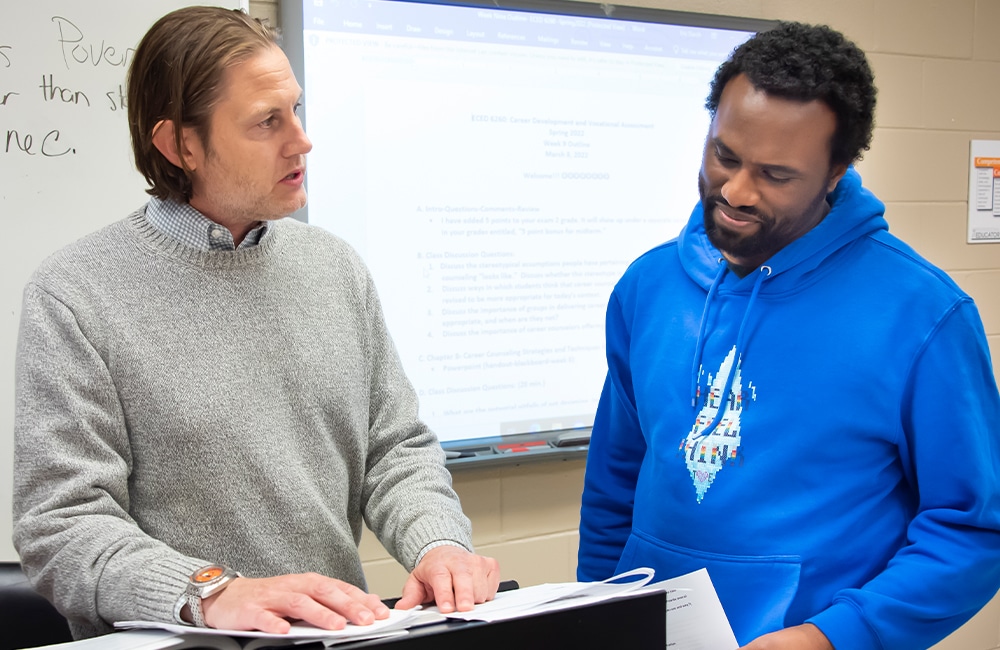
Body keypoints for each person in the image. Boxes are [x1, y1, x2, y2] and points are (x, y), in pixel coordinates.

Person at [12, 7, 498, 640]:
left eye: (294, 110)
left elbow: (393, 451)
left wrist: (439, 545)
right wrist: (210, 594)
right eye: (267, 122)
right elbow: (63, 524)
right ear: (179, 145)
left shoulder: (334, 267)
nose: (300, 140)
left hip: (335, 637)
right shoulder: (75, 294)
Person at [577, 21, 1000, 650]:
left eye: (776, 175)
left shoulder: (923, 315)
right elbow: (615, 481)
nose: (736, 191)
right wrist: (596, 616)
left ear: (836, 172)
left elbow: (974, 529)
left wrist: (832, 637)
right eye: (724, 155)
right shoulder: (649, 286)